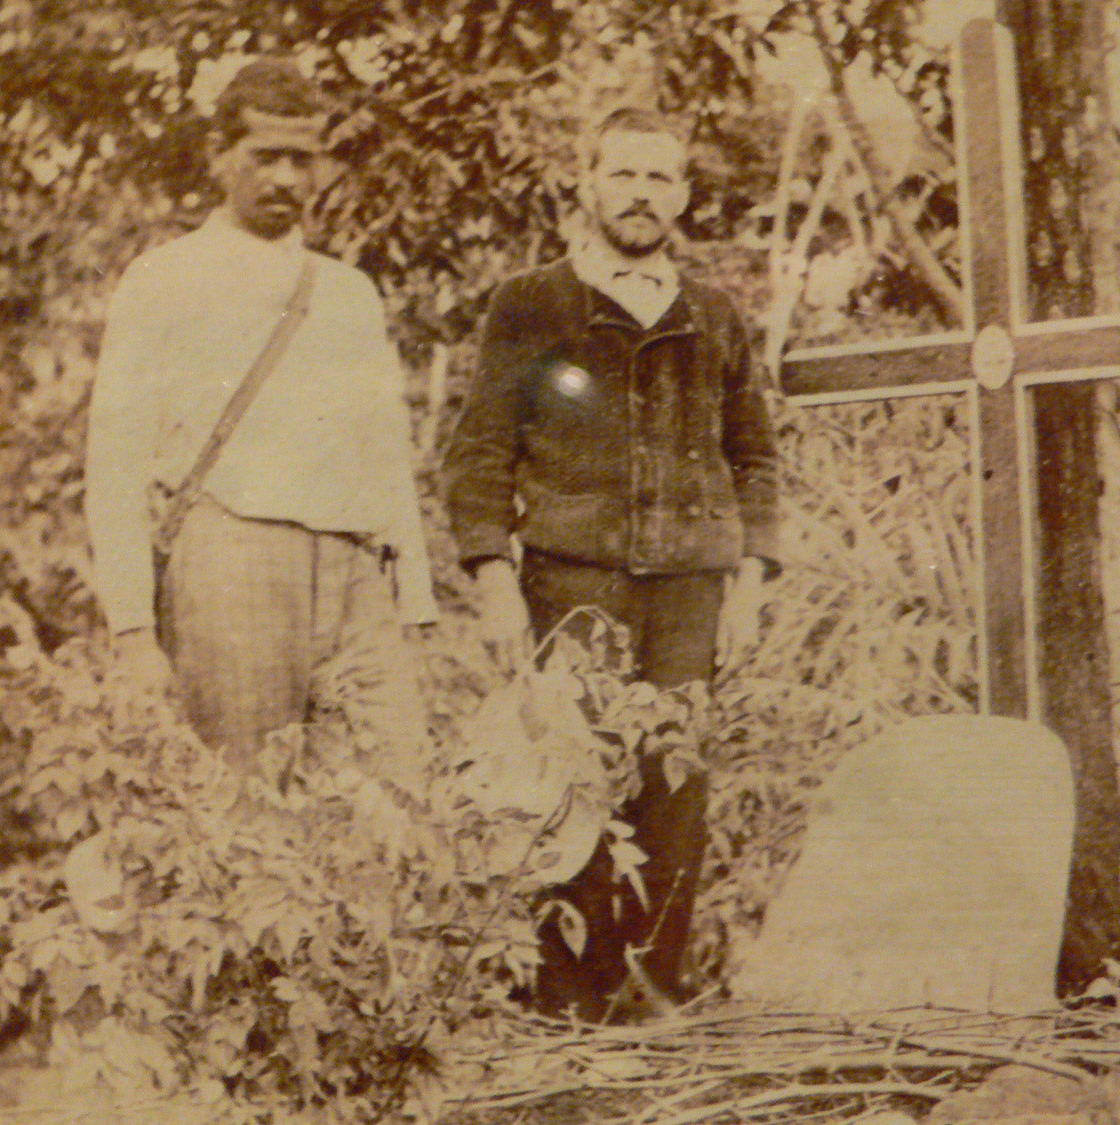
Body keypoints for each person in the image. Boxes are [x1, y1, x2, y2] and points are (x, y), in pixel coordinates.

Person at [442, 106, 780, 1020]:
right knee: (565, 810)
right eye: (623, 174)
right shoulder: (532, 302)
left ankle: (653, 1024)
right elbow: (479, 452)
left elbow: (754, 456)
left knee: (674, 815)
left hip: (687, 600)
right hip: (570, 591)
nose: (641, 194)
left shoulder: (713, 317)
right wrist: (492, 579)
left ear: (685, 196)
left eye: (661, 178)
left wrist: (749, 583)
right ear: (587, 184)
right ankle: (562, 1022)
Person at [85, 58, 437, 785]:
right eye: (264, 158)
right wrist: (132, 633)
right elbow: (114, 464)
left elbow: (385, 453)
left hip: (354, 574)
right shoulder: (164, 279)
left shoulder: (347, 293)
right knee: (243, 811)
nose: (284, 180)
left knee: (392, 801)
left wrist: (417, 601)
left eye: (301, 160)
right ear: (220, 159)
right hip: (230, 563)